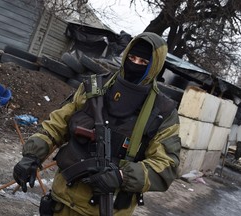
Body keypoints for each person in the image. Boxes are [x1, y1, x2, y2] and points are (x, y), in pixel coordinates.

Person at [13, 32, 181, 215]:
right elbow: (57, 125)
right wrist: (32, 155)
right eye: (132, 57)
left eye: (143, 62)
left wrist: (122, 176)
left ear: (155, 66)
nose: (135, 65)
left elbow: (166, 165)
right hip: (62, 199)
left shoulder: (163, 111)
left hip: (107, 209)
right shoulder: (94, 87)